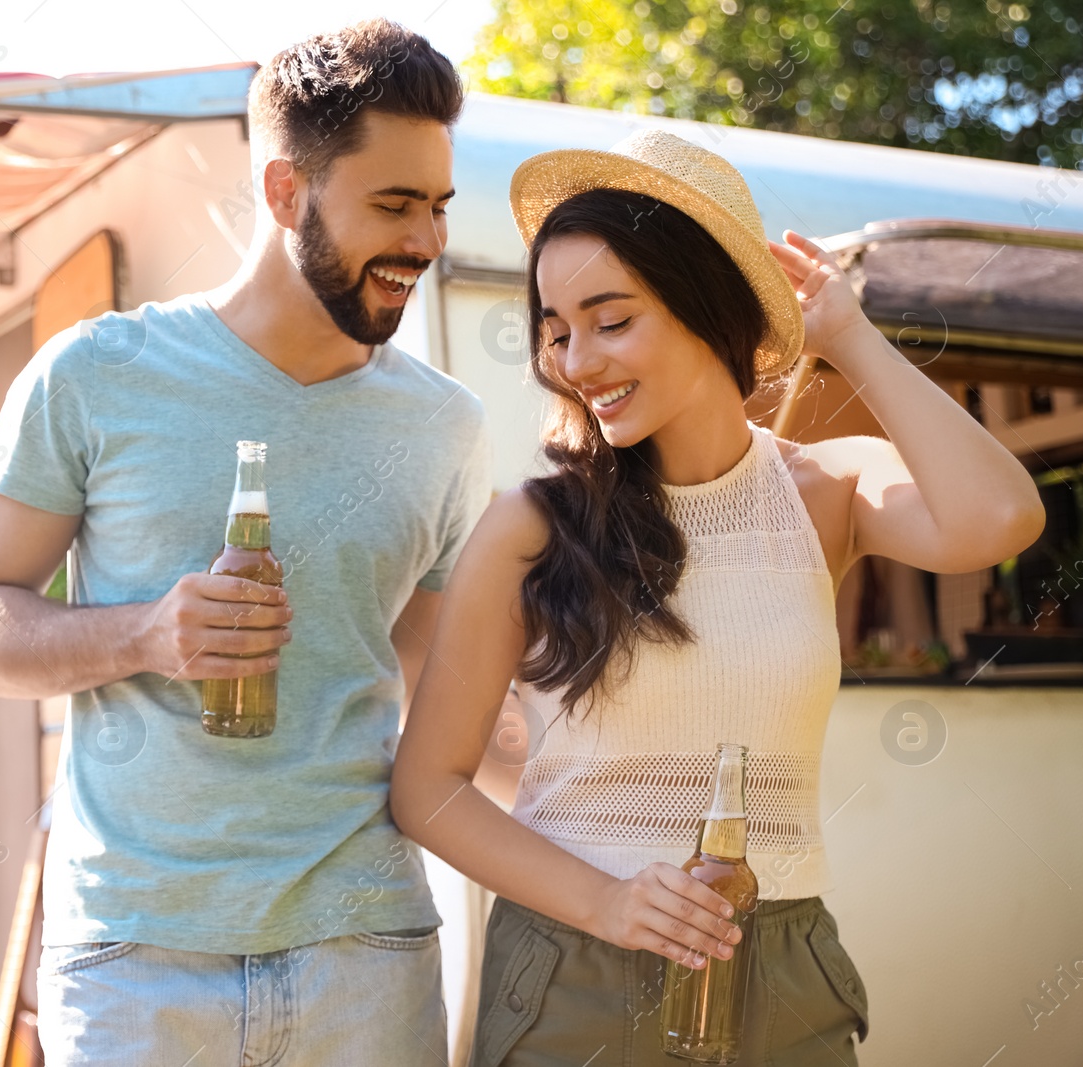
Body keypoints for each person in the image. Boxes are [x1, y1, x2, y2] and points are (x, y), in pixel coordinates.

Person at [391, 129, 1045, 1065]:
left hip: (780, 962)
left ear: (707, 309)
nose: (578, 360)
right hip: (576, 968)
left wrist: (851, 336)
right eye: (558, 326)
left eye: (612, 320)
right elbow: (428, 788)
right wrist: (608, 903)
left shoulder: (825, 492)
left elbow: (999, 516)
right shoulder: (532, 525)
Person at [0, 20, 491, 1066]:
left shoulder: (444, 426)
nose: (424, 241)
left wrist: (621, 817)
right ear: (286, 194)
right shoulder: (95, 373)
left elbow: (453, 693)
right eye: (392, 204)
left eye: (436, 206)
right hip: (136, 958)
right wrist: (144, 633)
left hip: (367, 949)